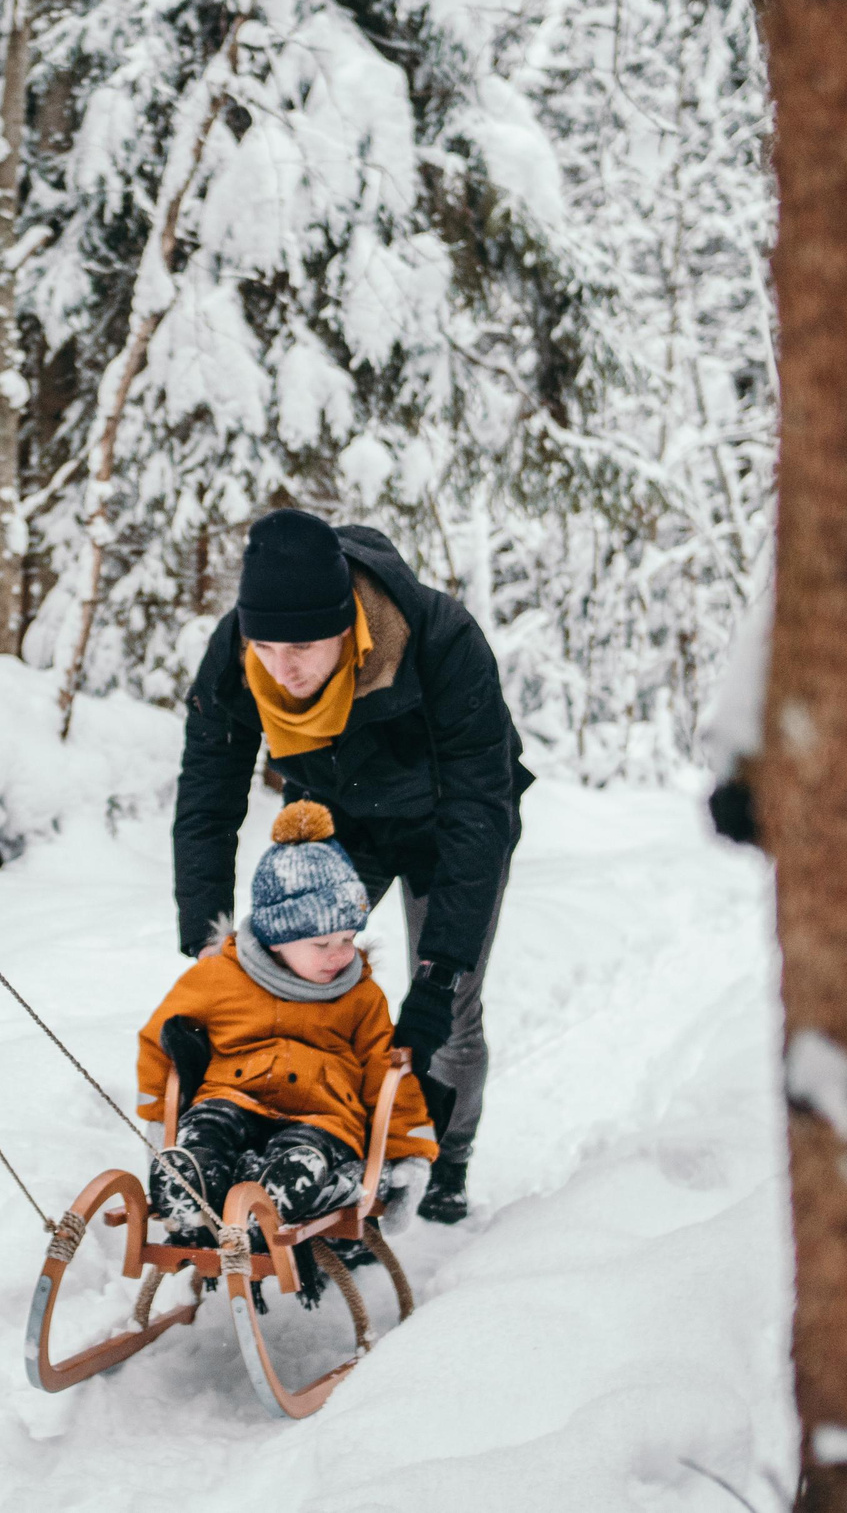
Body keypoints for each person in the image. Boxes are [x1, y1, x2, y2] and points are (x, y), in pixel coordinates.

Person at [173, 509, 532, 1225]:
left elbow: (479, 808)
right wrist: (207, 939)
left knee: (449, 1010)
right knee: (284, 980)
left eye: (303, 647)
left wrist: (438, 975)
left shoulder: (440, 637)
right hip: (335, 818)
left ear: (347, 627)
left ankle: (446, 1158)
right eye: (266, 646)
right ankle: (293, 1138)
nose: (283, 669)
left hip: (447, 824)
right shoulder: (237, 651)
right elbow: (209, 792)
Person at [136, 803, 437, 1268]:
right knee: (205, 1135)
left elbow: (388, 1073)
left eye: (347, 938)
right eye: (322, 944)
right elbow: (160, 1038)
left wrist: (410, 1155)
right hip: (230, 1099)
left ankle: (282, 1198)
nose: (339, 954)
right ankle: (191, 1190)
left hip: (323, 1118)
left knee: (302, 1160)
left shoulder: (360, 996)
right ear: (276, 938)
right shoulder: (219, 978)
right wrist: (160, 1117)